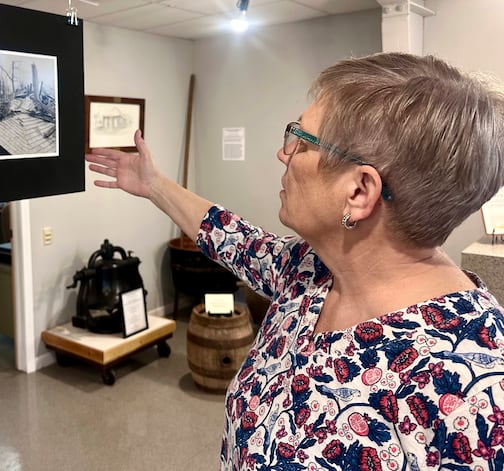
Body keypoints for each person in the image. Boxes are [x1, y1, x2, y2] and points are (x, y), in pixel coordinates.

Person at [85, 52, 504, 470]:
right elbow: (231, 236)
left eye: (302, 141)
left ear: (359, 191)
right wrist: (153, 185)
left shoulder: (472, 389)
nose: (283, 154)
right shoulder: (311, 271)